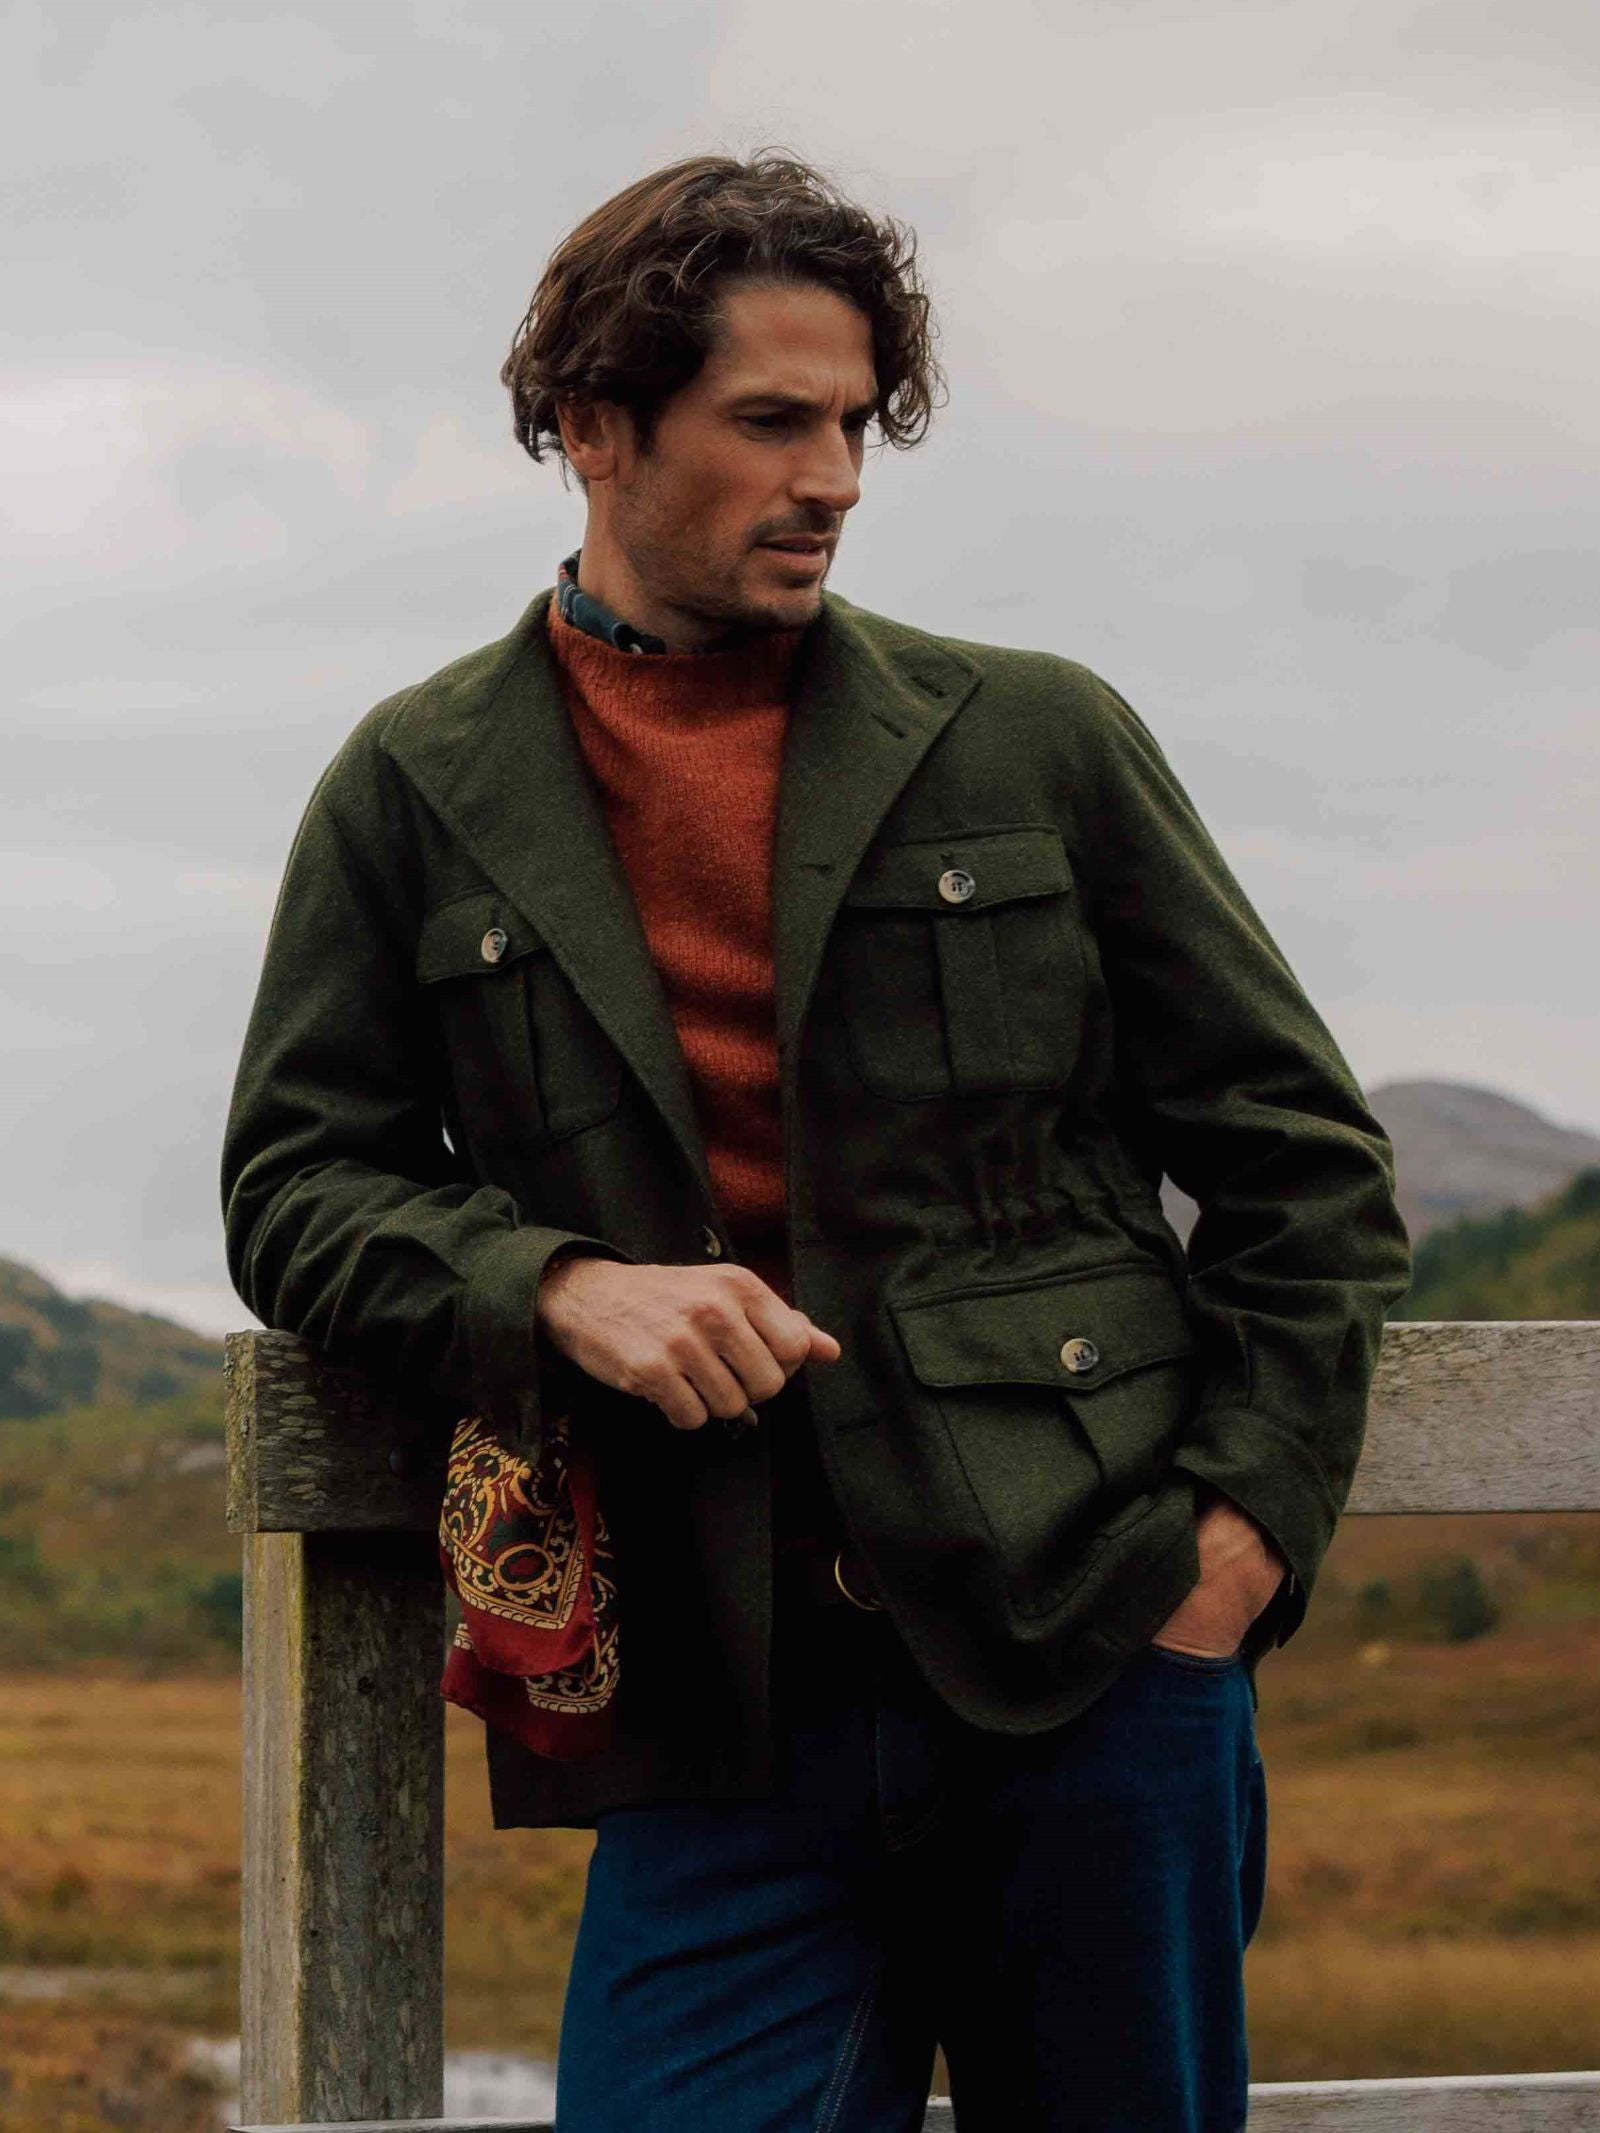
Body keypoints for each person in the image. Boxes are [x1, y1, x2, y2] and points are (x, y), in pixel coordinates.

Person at [222, 148, 1411, 2131]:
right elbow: (296, 1185)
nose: (835, 477)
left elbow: (1302, 1159)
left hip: (1093, 1652)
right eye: (770, 420)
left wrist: (1233, 1544)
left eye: (856, 423)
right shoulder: (415, 784)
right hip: (714, 1700)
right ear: (595, 426)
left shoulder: (1030, 734)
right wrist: (558, 1286)